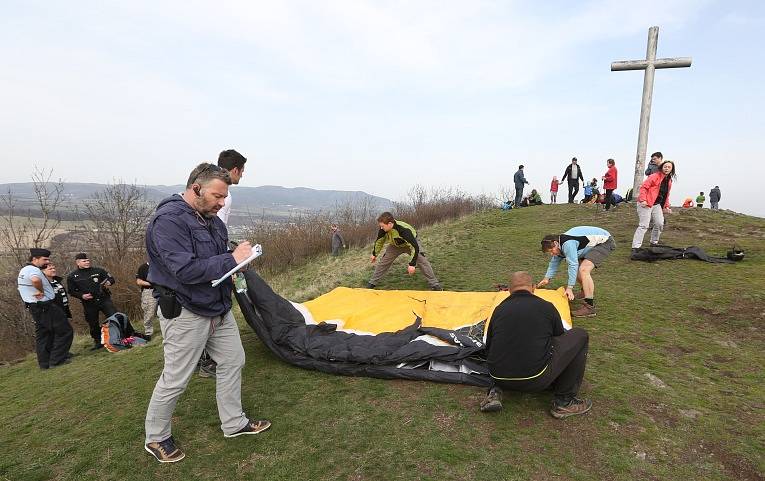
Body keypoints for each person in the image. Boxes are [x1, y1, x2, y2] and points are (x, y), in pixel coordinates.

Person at [144, 162, 271, 464]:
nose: (222, 203)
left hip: (218, 307)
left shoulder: (213, 220)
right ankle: (156, 437)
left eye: (224, 197)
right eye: (217, 196)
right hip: (186, 310)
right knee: (176, 378)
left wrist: (240, 261)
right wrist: (230, 258)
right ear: (196, 188)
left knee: (233, 360)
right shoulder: (169, 221)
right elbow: (184, 269)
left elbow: (221, 259)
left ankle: (234, 423)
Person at [480, 272, 591, 419]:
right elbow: (558, 337)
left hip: (498, 376)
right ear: (533, 288)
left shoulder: (499, 309)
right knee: (580, 335)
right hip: (535, 379)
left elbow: (489, 344)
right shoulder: (546, 307)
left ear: (509, 290)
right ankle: (564, 401)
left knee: (506, 345)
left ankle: (496, 390)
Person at [537, 226, 615, 318]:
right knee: (579, 269)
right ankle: (584, 292)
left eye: (551, 251)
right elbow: (554, 262)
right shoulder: (559, 245)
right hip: (589, 246)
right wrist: (547, 278)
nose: (551, 254)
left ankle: (590, 307)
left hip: (605, 242)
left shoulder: (567, 244)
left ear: (555, 243)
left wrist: (569, 288)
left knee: (584, 270)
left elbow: (572, 265)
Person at [17, 249, 73, 369]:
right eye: (45, 259)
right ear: (35, 259)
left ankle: (44, 363)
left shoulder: (24, 269)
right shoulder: (33, 269)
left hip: (34, 307)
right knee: (65, 331)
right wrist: (41, 291)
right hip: (44, 306)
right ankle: (57, 360)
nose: (47, 261)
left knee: (44, 335)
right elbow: (35, 280)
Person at [367, 212, 442, 291]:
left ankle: (434, 284)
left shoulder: (403, 230)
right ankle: (372, 283)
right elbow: (379, 242)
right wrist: (374, 254)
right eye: (380, 226)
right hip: (395, 245)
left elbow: (414, 247)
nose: (381, 228)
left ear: (389, 223)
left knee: (422, 261)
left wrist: (412, 264)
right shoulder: (383, 230)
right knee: (383, 262)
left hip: (411, 244)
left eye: (382, 226)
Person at [66, 253, 116, 350]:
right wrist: (82, 296)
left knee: (113, 316)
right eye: (84, 261)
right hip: (89, 303)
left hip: (103, 299)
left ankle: (118, 336)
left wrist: (109, 282)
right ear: (78, 262)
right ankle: (98, 341)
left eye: (88, 260)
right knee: (93, 323)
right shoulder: (72, 276)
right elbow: (71, 291)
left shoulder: (98, 271)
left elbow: (111, 278)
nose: (87, 262)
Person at [631, 160, 676, 251]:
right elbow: (644, 187)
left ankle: (654, 242)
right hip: (646, 203)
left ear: (672, 169)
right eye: (665, 166)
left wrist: (666, 206)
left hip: (657, 204)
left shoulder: (669, 180)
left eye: (669, 167)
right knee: (644, 225)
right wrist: (643, 199)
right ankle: (636, 247)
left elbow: (666, 194)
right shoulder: (654, 176)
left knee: (660, 223)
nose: (666, 168)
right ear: (662, 167)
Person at [216, 149, 247, 226]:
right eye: (242, 171)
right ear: (236, 170)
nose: (241, 176)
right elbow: (218, 228)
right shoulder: (224, 195)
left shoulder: (206, 186)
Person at [136, 261, 158, 342]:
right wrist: (151, 283)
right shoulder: (143, 267)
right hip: (149, 291)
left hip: (162, 290)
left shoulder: (160, 264)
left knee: (164, 310)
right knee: (149, 312)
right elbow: (139, 281)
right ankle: (148, 332)